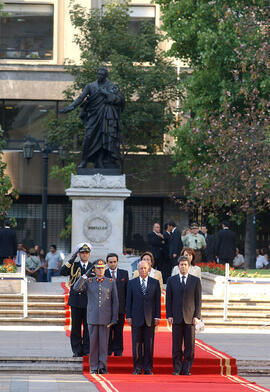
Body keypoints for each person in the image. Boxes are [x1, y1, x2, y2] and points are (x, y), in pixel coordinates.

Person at [61, 66, 125, 169]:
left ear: (106, 76)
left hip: (106, 117)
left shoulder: (111, 86)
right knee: (89, 137)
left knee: (105, 138)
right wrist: (71, 107)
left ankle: (101, 161)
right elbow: (81, 98)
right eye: (98, 74)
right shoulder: (90, 86)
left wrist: (106, 93)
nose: (100, 76)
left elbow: (120, 100)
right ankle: (84, 160)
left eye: (102, 75)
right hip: (94, 116)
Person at [74, 259, 119, 374]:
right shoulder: (89, 281)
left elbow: (115, 301)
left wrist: (114, 318)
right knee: (93, 345)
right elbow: (76, 288)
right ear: (94, 269)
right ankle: (93, 367)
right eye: (98, 268)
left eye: (102, 268)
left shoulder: (110, 281)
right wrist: (85, 275)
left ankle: (103, 366)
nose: (100, 270)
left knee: (104, 345)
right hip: (93, 317)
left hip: (105, 318)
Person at [166, 256, 202, 376]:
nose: (183, 267)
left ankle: (186, 369)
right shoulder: (172, 280)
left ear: (189, 266)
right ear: (178, 266)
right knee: (176, 345)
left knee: (189, 346)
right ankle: (176, 368)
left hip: (190, 318)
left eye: (185, 265)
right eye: (181, 265)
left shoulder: (195, 281)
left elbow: (198, 300)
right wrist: (169, 315)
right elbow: (169, 299)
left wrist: (197, 316)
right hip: (176, 317)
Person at [126, 260, 161, 375]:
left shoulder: (155, 283)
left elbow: (157, 301)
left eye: (145, 268)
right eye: (141, 268)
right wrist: (129, 316)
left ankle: (148, 368)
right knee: (136, 344)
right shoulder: (132, 283)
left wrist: (157, 317)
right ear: (138, 269)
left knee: (149, 344)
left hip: (150, 319)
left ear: (149, 268)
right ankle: (137, 367)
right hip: (136, 318)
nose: (143, 270)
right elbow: (128, 301)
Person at [60, 243, 95, 357]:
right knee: (75, 327)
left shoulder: (92, 266)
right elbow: (62, 271)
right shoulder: (73, 265)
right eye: (82, 253)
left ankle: (86, 349)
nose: (84, 255)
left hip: (88, 300)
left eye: (86, 252)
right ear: (79, 254)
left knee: (87, 327)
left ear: (89, 254)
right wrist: (72, 258)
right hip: (75, 300)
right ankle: (76, 350)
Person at [105, 252, 129, 357]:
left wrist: (127, 309)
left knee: (119, 331)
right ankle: (108, 350)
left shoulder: (124, 273)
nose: (113, 264)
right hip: (106, 310)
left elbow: (127, 292)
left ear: (117, 262)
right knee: (108, 331)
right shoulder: (103, 274)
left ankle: (118, 350)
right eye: (110, 262)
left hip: (120, 308)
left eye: (114, 262)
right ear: (107, 263)